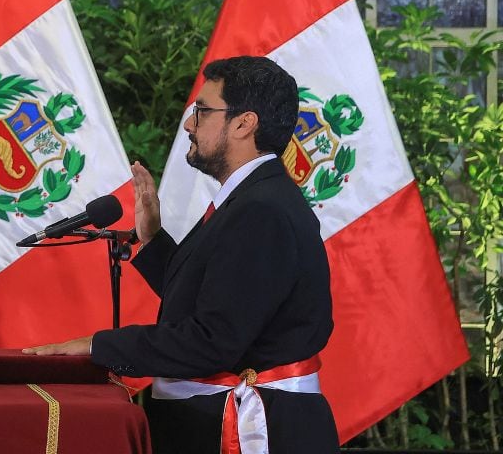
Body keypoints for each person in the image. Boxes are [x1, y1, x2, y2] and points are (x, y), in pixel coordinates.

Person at [24, 56, 339, 453]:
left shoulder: (261, 209)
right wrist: (152, 239)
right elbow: (218, 297)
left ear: (244, 123)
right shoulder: (254, 197)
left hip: (251, 431)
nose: (189, 124)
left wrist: (99, 346)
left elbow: (213, 340)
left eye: (203, 111)